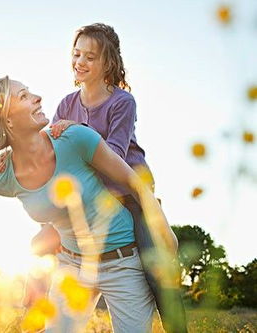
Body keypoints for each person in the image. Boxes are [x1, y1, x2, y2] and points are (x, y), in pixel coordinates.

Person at [0, 76, 178, 333]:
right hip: (72, 265)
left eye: (30, 92)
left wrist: (163, 231)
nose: (37, 97)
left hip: (122, 260)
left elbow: (134, 181)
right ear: (8, 120)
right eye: (23, 96)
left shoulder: (75, 139)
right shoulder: (3, 181)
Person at [49, 23, 187, 333]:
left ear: (108, 62)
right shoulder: (66, 105)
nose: (80, 63)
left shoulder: (122, 102)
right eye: (76, 54)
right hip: (90, 197)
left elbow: (114, 154)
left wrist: (75, 133)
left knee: (157, 273)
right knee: (44, 249)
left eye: (90, 57)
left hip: (130, 193)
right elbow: (51, 153)